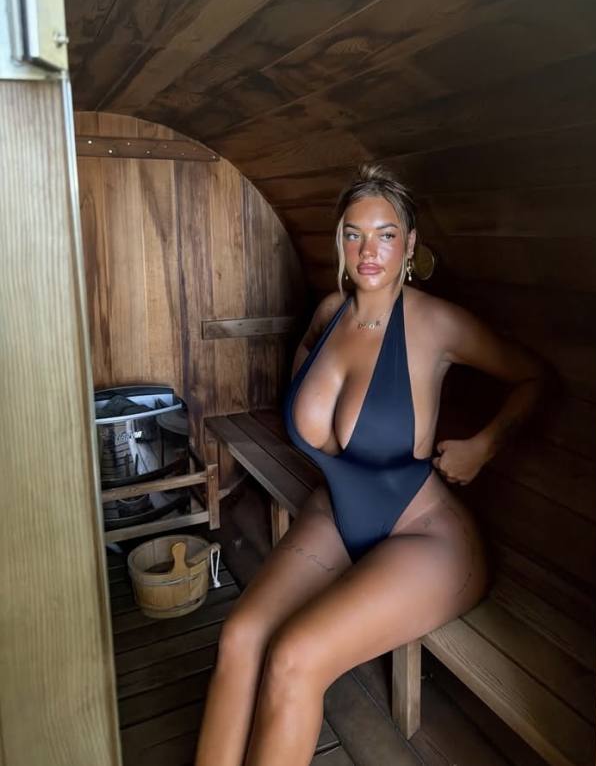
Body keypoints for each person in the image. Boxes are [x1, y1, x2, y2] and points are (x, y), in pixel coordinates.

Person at [195, 163, 545, 766]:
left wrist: (483, 446)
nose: (369, 250)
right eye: (354, 234)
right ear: (339, 242)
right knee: (241, 637)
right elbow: (309, 362)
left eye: (386, 234)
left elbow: (533, 376)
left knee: (294, 659)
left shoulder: (436, 323)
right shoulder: (329, 313)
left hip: (424, 533)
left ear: (409, 244)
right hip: (337, 513)